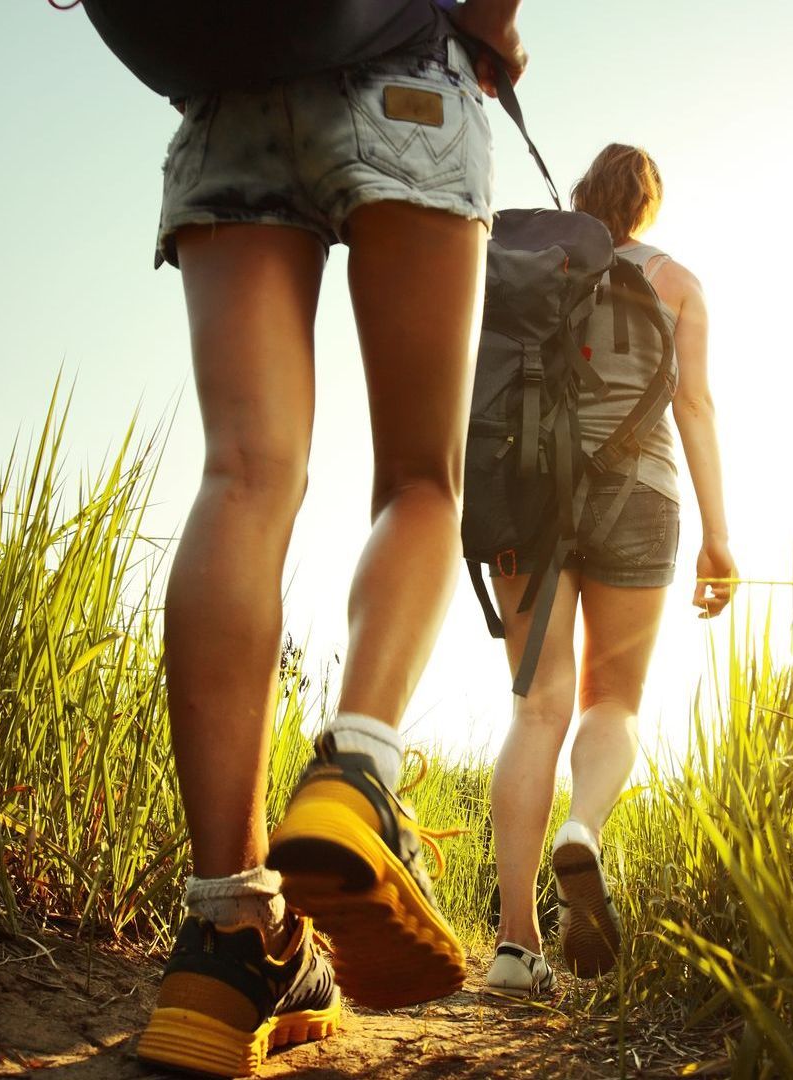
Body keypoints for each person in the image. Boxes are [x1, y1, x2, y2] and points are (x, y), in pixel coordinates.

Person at [127, 3, 526, 1075]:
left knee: (242, 477)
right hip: (405, 70)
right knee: (419, 479)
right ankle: (357, 775)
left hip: (227, 87)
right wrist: (493, 28)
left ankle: (227, 937)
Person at [483, 144, 737, 996]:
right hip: (643, 493)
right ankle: (583, 827)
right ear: (649, 206)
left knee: (536, 706)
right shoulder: (679, 283)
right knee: (612, 701)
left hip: (528, 493)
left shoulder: (535, 266)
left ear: (585, 198)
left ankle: (516, 948)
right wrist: (718, 537)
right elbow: (694, 406)